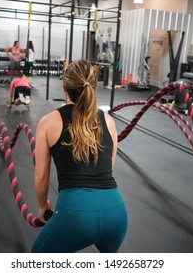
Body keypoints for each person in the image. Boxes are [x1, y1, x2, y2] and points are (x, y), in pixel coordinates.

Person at [32, 59, 128, 253]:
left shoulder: (48, 122)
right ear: (93, 86)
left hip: (76, 215)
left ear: (64, 87)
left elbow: (41, 177)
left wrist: (43, 207)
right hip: (116, 213)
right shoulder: (108, 121)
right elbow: (108, 168)